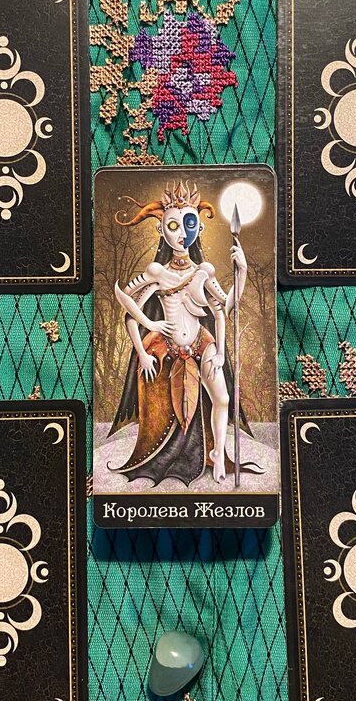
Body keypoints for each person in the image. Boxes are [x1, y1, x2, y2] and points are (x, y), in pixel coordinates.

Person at [109, 180, 260, 486]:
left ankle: (218, 454)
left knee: (222, 397)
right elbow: (125, 300)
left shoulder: (204, 271)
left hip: (202, 344)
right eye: (173, 225)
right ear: (160, 230)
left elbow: (224, 308)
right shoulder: (157, 273)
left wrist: (242, 271)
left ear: (199, 229)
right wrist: (149, 329)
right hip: (168, 348)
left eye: (188, 225)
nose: (181, 233)